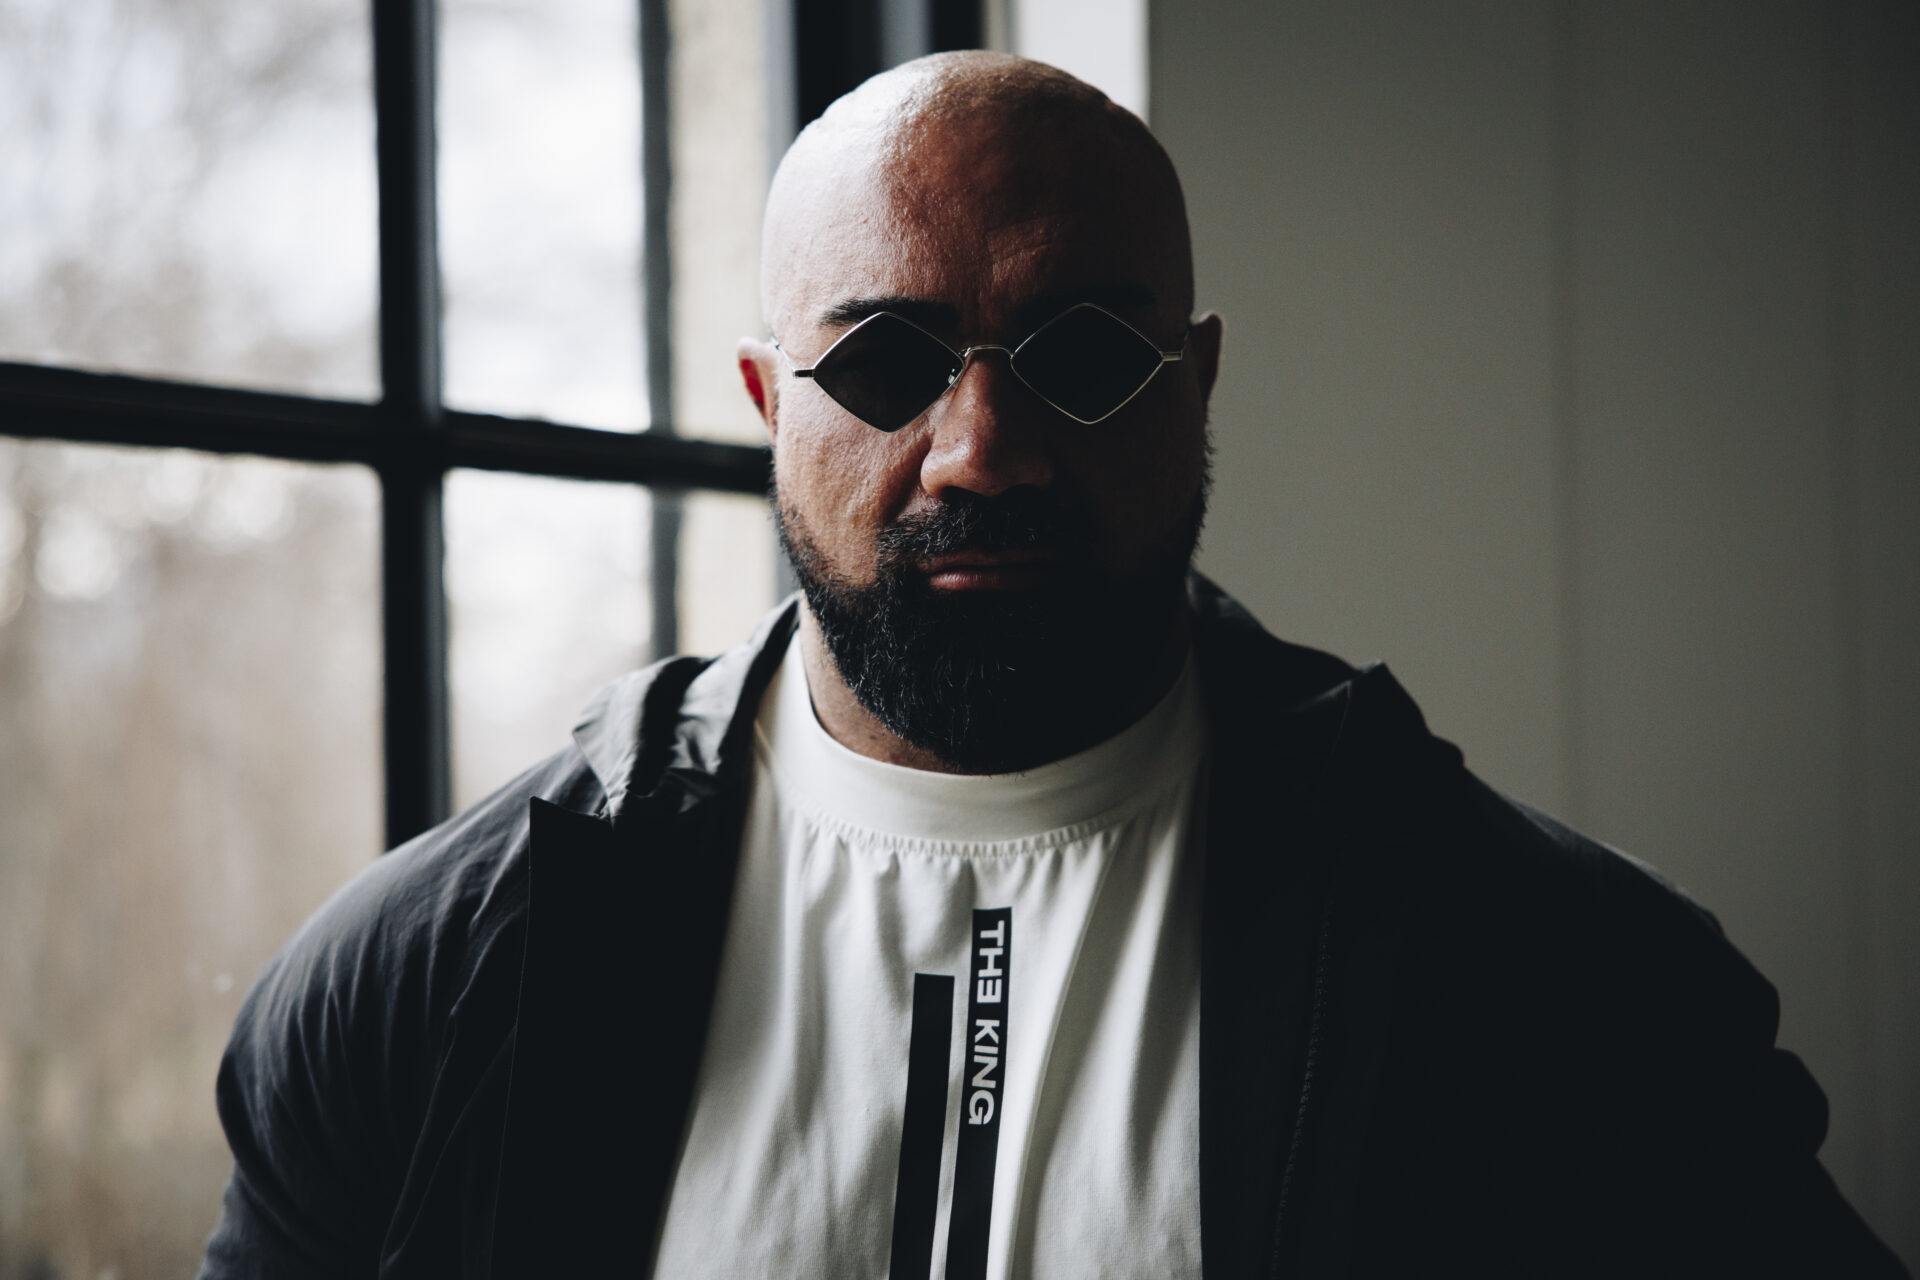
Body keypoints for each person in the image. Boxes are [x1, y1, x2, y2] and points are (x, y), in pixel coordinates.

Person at [198, 52, 1906, 1279]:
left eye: (1080, 353)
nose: (981, 449)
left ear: (1196, 383)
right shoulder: (424, 988)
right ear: (768, 404)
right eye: (887, 363)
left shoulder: (1563, 985)